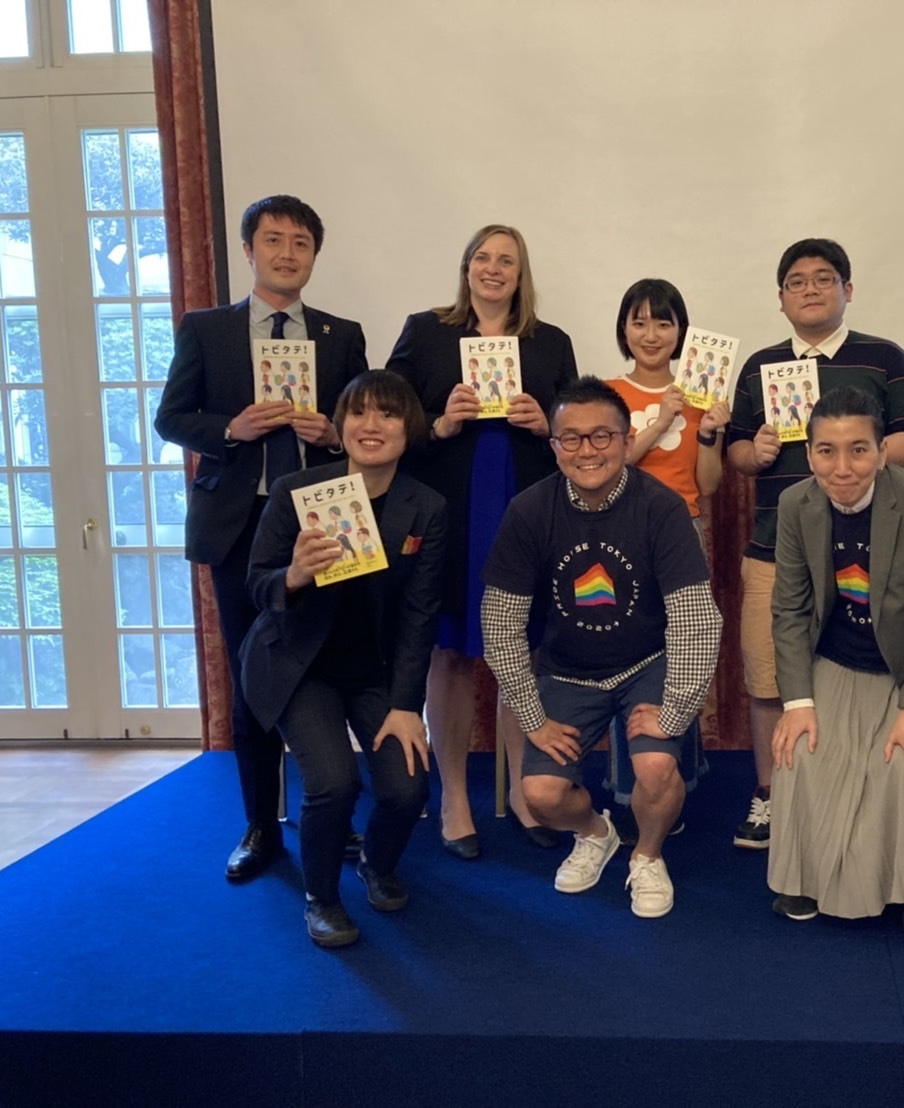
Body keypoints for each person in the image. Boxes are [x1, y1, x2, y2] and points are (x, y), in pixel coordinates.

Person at [154, 194, 368, 883]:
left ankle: (331, 812)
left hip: (322, 520)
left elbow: (363, 425)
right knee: (253, 675)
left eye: (300, 243)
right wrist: (230, 429)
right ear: (248, 250)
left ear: (314, 255)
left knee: (326, 664)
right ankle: (260, 825)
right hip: (239, 524)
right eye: (273, 240)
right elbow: (170, 418)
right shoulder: (207, 329)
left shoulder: (340, 334)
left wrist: (331, 433)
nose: (286, 253)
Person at [481, 377, 721, 918]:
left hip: (647, 662)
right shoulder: (528, 510)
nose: (587, 450)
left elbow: (696, 619)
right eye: (572, 438)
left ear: (625, 439)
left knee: (656, 766)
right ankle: (596, 833)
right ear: (554, 446)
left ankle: (647, 854)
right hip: (568, 671)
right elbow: (500, 622)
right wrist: (532, 719)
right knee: (541, 796)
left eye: (602, 436)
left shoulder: (662, 507)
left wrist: (674, 710)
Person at [726, 238, 904, 850]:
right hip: (777, 546)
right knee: (769, 676)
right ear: (781, 298)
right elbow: (736, 452)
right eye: (796, 281)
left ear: (848, 289)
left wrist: (853, 451)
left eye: (823, 278)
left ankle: (845, 789)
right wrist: (756, 450)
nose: (810, 289)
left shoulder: (885, 357)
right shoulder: (760, 365)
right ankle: (771, 794)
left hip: (872, 550)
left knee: (858, 669)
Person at [386, 224, 578, 858]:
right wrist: (438, 424)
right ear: (467, 266)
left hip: (525, 512)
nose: (494, 269)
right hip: (452, 512)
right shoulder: (425, 332)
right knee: (450, 653)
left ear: (522, 275)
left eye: (507, 261)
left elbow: (577, 433)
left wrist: (546, 426)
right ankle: (454, 798)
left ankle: (523, 791)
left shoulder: (551, 342)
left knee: (521, 652)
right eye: (483, 258)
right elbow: (386, 419)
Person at [240, 371, 446, 948]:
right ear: (340, 424)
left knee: (407, 789)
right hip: (297, 665)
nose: (371, 425)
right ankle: (321, 899)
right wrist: (294, 575)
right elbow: (256, 585)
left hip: (373, 671)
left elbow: (419, 615)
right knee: (333, 783)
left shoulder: (426, 508)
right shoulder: (296, 492)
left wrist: (407, 707)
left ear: (410, 428)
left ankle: (375, 863)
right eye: (358, 412)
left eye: (388, 413)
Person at [766, 388, 904, 936]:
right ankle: (805, 876)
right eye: (827, 451)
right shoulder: (796, 505)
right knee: (800, 749)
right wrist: (797, 703)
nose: (842, 468)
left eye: (858, 450)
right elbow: (789, 611)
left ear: (881, 452)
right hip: (834, 661)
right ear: (809, 454)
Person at [605, 278, 729, 817]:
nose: (651, 334)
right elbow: (609, 466)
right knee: (623, 651)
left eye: (663, 322)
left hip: (684, 531)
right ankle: (628, 785)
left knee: (684, 654)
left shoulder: (701, 396)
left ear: (681, 332)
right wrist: (659, 422)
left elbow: (708, 485)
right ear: (624, 330)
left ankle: (679, 776)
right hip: (618, 534)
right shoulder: (609, 394)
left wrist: (708, 432)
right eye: (639, 322)